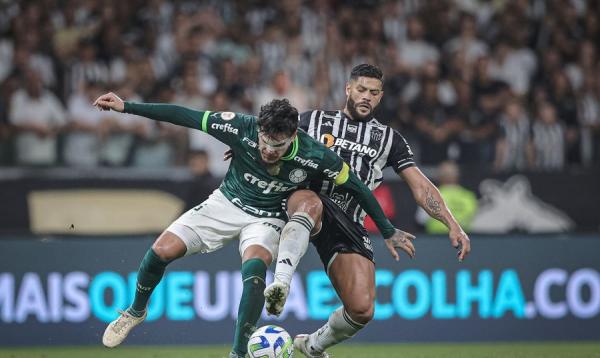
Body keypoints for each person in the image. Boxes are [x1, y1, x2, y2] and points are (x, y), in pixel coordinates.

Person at [92, 93, 414, 358]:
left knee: (256, 271)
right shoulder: (240, 127)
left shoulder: (315, 154)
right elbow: (184, 115)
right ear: (259, 128)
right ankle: (135, 311)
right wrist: (128, 107)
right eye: (264, 141)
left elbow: (357, 186)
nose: (268, 150)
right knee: (160, 251)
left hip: (268, 216)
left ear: (293, 137)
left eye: (278, 146)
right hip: (226, 203)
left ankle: (237, 353)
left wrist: (387, 229)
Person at [263, 64, 471, 358]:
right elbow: (272, 136)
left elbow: (420, 186)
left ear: (380, 96)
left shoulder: (390, 140)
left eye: (374, 93)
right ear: (348, 89)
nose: (366, 97)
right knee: (310, 200)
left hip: (350, 220)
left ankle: (312, 346)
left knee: (362, 309)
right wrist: (251, 146)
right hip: (308, 201)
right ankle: (281, 284)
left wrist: (453, 223)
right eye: (361, 89)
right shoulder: (315, 120)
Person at [416, 161, 478, 234]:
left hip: (435, 239)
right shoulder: (469, 196)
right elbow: (475, 220)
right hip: (462, 239)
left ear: (439, 176)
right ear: (457, 176)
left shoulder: (431, 195)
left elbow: (421, 219)